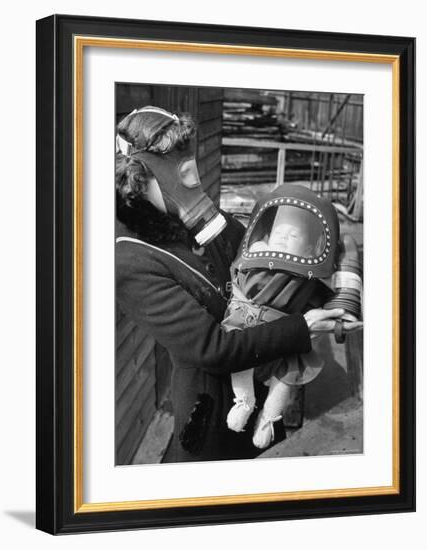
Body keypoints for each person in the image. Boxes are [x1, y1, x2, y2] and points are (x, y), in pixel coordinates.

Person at [115, 105, 352, 463]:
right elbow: (212, 349)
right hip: (210, 408)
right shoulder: (132, 260)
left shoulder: (203, 220)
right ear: (138, 178)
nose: (190, 179)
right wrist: (303, 326)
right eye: (174, 166)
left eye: (188, 160)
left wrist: (303, 239)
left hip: (263, 378)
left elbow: (266, 260)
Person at [222, 184, 363, 449]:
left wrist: (341, 322)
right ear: (266, 235)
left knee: (287, 377)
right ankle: (244, 401)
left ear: (309, 247)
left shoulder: (306, 278)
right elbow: (236, 279)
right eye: (280, 232)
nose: (284, 238)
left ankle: (268, 417)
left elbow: (328, 305)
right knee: (238, 358)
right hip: (247, 327)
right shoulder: (255, 260)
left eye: (294, 235)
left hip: (286, 339)